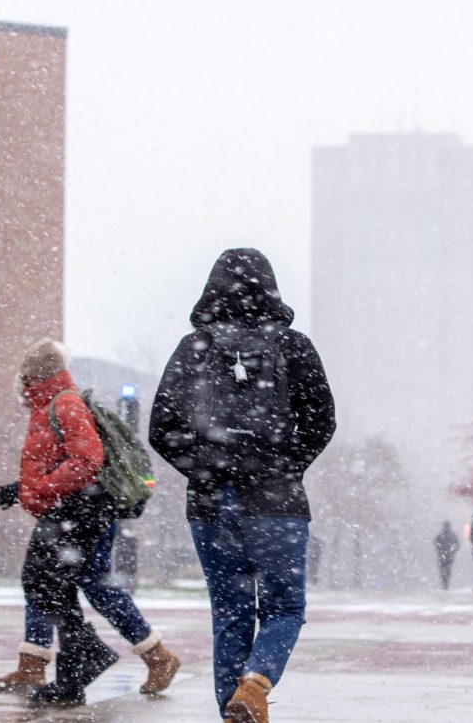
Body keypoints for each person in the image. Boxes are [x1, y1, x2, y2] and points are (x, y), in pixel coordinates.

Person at [150, 248, 336, 723]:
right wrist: (284, 465)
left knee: (231, 611)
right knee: (284, 608)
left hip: (213, 505)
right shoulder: (293, 346)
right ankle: (254, 685)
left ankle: (231, 710)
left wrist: (206, 468)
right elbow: (322, 420)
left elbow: (162, 428)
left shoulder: (193, 348)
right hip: (276, 503)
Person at [12, 339, 178, 707]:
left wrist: (43, 488)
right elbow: (55, 460)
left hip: (79, 511)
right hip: (70, 509)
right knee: (57, 585)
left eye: (24, 379)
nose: (21, 387)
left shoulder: (65, 404)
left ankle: (93, 661)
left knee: (58, 583)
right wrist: (21, 489)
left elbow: (87, 459)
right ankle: (73, 672)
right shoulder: (48, 406)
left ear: (35, 376)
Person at [0, 482, 177, 695]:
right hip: (69, 508)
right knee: (43, 585)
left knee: (94, 586)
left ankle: (156, 655)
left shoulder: (90, 455)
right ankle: (32, 667)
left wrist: (29, 487)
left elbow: (78, 465)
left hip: (86, 510)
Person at [434, 521, 459, 591]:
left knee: (444, 569)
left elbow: (436, 544)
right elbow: (456, 544)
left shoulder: (441, 535)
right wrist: (452, 551)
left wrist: (441, 551)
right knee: (447, 569)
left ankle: (445, 582)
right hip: (448, 555)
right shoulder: (452, 535)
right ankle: (446, 582)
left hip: (443, 555)